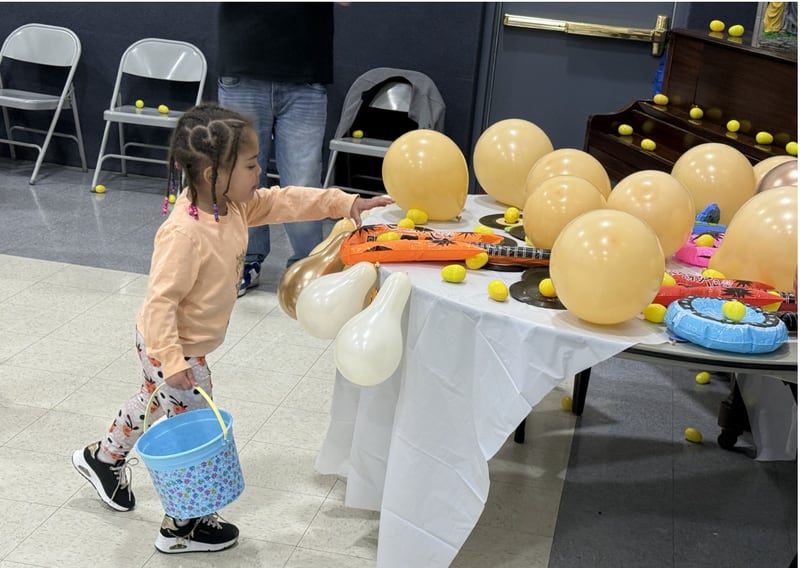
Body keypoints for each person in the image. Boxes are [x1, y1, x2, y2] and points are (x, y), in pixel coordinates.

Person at [71, 103, 392, 554]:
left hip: (176, 347)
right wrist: (174, 361)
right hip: (174, 345)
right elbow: (160, 302)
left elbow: (285, 201)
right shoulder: (184, 234)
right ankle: (183, 525)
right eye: (250, 164)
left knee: (152, 400)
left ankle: (103, 458)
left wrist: (346, 202)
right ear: (210, 172)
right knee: (196, 432)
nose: (259, 171)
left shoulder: (234, 205)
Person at [217, 2, 339, 296]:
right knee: (238, 177)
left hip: (305, 75)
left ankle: (307, 266)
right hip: (243, 64)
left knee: (304, 178)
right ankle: (245, 260)